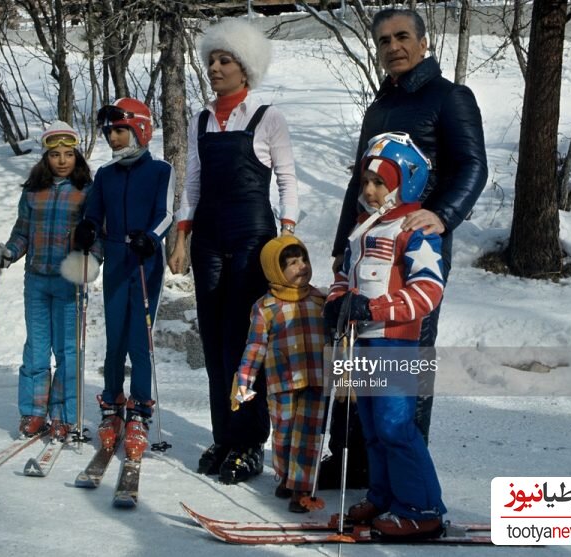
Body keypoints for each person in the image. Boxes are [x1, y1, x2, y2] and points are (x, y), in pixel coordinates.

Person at [321, 7, 489, 487]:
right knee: (358, 352)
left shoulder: (449, 97)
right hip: (367, 247)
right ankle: (357, 460)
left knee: (404, 359)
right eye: (383, 41)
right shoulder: (379, 107)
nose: (392, 47)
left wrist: (443, 214)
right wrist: (341, 247)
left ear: (422, 41)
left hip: (416, 249)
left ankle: (407, 475)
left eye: (401, 37)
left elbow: (472, 166)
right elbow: (361, 184)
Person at [167, 18, 299, 484]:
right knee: (214, 342)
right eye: (211, 61)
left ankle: (248, 442)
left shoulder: (268, 117)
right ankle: (224, 436)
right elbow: (194, 183)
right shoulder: (200, 118)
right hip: (208, 239)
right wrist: (182, 236)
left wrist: (286, 236)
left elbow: (286, 180)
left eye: (224, 61)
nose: (215, 68)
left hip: (252, 238)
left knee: (245, 344)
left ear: (246, 68)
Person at [325, 132, 446, 538]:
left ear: (403, 182)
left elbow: (428, 289)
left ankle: (422, 508)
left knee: (396, 428)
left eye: (381, 182)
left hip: (395, 339)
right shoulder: (361, 228)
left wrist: (374, 308)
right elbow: (345, 275)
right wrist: (337, 303)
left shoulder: (415, 228)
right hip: (362, 339)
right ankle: (383, 496)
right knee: (372, 427)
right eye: (367, 182)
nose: (371, 191)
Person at [0, 120, 96, 440]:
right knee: (36, 350)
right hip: (37, 282)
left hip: (69, 283)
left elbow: (97, 235)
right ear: (45, 157)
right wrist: (7, 254)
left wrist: (89, 259)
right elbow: (22, 233)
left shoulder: (87, 191)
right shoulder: (34, 192)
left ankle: (64, 415)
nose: (61, 160)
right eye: (55, 154)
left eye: (68, 154)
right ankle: (33, 412)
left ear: (77, 156)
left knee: (68, 351)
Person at [71, 98, 174, 460]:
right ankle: (112, 404)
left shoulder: (161, 170)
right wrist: (87, 228)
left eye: (119, 130)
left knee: (138, 339)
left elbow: (165, 214)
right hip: (116, 259)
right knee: (115, 338)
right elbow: (94, 213)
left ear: (140, 129)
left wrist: (152, 236)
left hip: (145, 262)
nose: (112, 138)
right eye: (109, 132)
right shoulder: (105, 174)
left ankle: (140, 411)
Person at [235, 236, 325, 513]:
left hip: (317, 380)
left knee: (308, 435)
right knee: (284, 433)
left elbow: (338, 340)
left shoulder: (321, 300)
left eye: (304, 260)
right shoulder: (265, 308)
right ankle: (287, 476)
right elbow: (255, 346)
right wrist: (243, 381)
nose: (302, 267)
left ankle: (301, 488)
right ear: (274, 269)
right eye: (292, 263)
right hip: (282, 382)